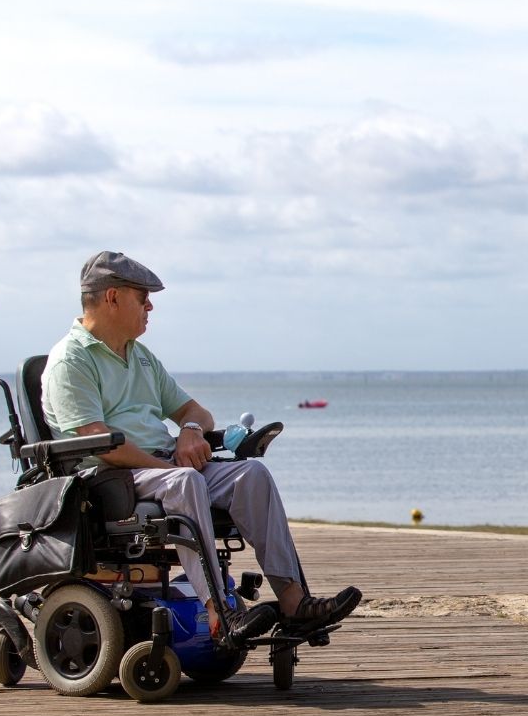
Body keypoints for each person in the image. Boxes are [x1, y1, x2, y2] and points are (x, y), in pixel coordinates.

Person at [41, 250, 360, 638]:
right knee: (187, 482)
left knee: (252, 474)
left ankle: (294, 602)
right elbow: (98, 443)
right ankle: (220, 613)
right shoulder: (70, 361)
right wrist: (170, 468)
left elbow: (196, 411)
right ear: (112, 297)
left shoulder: (140, 357)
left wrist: (191, 430)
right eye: (143, 298)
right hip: (111, 479)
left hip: (159, 469)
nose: (150, 306)